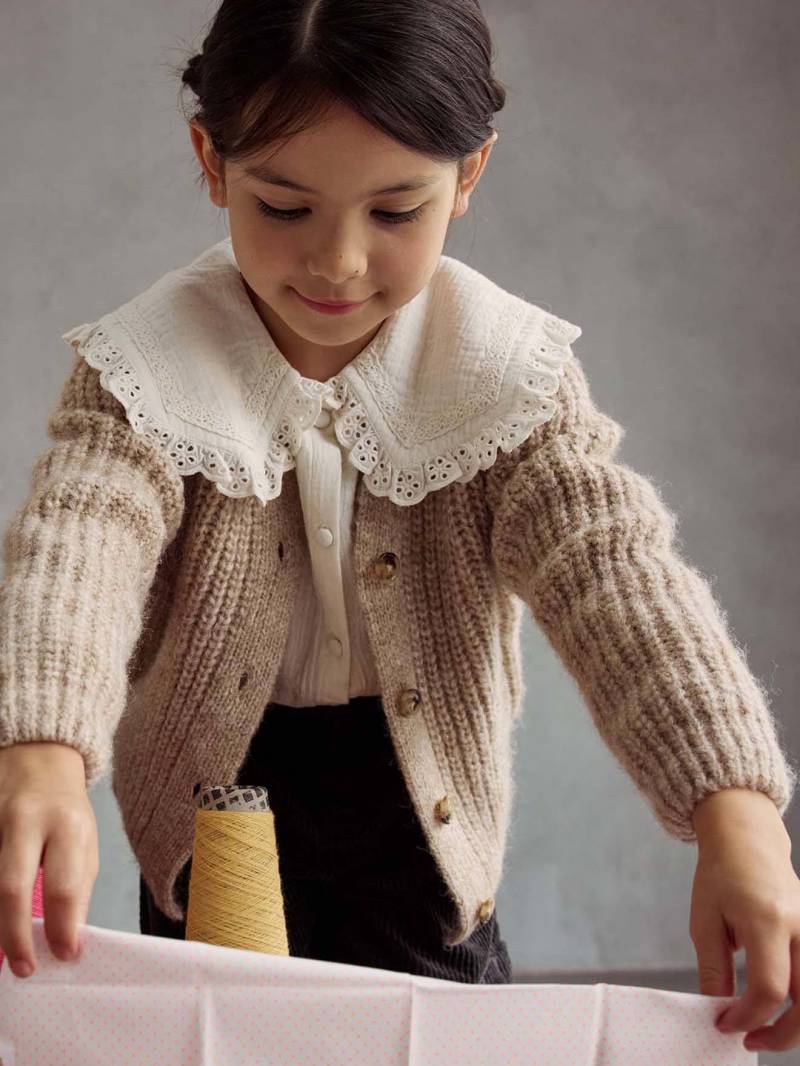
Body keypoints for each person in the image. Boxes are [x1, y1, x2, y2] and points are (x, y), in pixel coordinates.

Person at [0, 0, 797, 1038]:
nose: (335, 263)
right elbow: (80, 538)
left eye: (394, 212)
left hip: (422, 803)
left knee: (440, 1027)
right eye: (283, 207)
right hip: (219, 796)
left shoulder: (507, 378)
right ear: (211, 161)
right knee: (225, 1030)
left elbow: (611, 567)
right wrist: (42, 747)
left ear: (465, 178)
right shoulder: (142, 370)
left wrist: (730, 804)